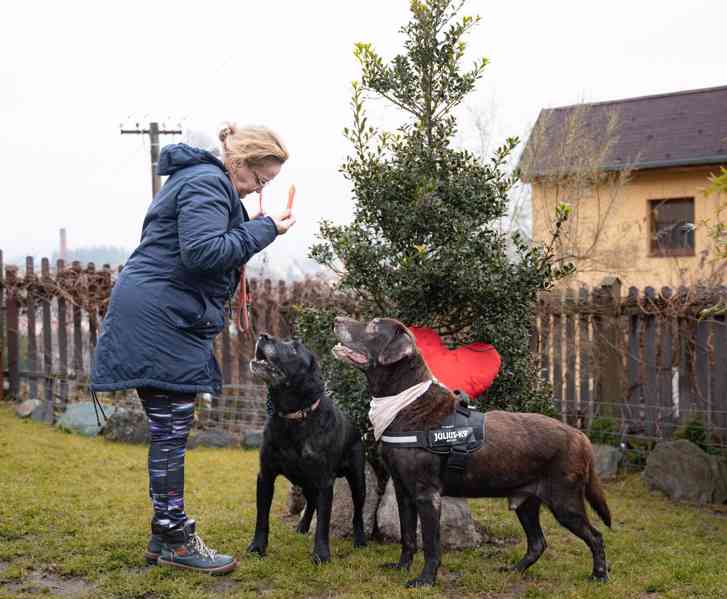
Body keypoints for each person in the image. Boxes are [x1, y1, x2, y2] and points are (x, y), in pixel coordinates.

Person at [90, 123, 295, 575]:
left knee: (171, 430)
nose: (261, 188)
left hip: (166, 313)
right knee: (170, 433)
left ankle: (164, 533)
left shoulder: (204, 181)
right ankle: (176, 539)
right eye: (261, 179)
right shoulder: (206, 182)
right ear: (239, 162)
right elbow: (202, 252)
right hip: (162, 318)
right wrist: (264, 230)